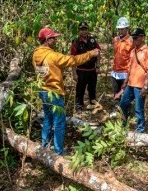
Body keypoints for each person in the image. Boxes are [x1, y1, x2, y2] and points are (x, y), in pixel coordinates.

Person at [33, 27, 99, 155]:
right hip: (54, 93)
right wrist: (91, 54)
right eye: (54, 38)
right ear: (48, 40)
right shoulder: (53, 56)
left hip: (43, 91)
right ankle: (58, 153)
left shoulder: (36, 54)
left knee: (47, 119)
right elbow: (73, 60)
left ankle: (45, 147)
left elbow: (45, 69)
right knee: (59, 123)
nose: (56, 40)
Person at [115, 28, 148, 133]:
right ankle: (123, 126)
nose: (134, 40)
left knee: (138, 108)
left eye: (136, 38)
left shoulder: (147, 51)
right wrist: (125, 83)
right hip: (130, 84)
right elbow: (129, 69)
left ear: (142, 37)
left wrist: (145, 86)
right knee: (123, 104)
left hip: (140, 86)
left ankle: (140, 130)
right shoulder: (133, 51)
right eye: (133, 38)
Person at [70, 21, 101, 112]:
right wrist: (74, 73)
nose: (84, 31)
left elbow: (98, 53)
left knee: (92, 88)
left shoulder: (92, 40)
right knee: (80, 89)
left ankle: (93, 103)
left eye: (85, 29)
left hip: (92, 69)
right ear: (79, 31)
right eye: (81, 30)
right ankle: (79, 105)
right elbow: (72, 59)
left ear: (88, 30)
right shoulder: (75, 43)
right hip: (81, 70)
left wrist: (98, 66)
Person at [111, 17, 134, 102]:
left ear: (127, 29)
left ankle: (125, 112)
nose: (120, 31)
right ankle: (116, 111)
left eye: (122, 29)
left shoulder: (131, 41)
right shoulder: (116, 39)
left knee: (125, 95)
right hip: (115, 72)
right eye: (119, 29)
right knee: (116, 94)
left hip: (125, 72)